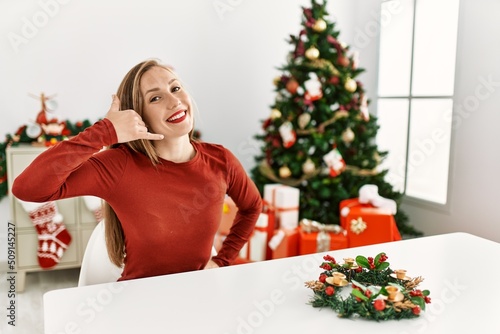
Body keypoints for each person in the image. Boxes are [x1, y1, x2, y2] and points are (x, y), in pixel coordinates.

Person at [12, 59, 263, 281]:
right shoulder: (118, 166)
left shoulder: (221, 160)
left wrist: (222, 259)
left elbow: (252, 206)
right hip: (136, 303)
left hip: (196, 294)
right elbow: (28, 188)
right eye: (156, 97)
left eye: (175, 88)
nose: (174, 101)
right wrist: (104, 131)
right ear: (137, 116)